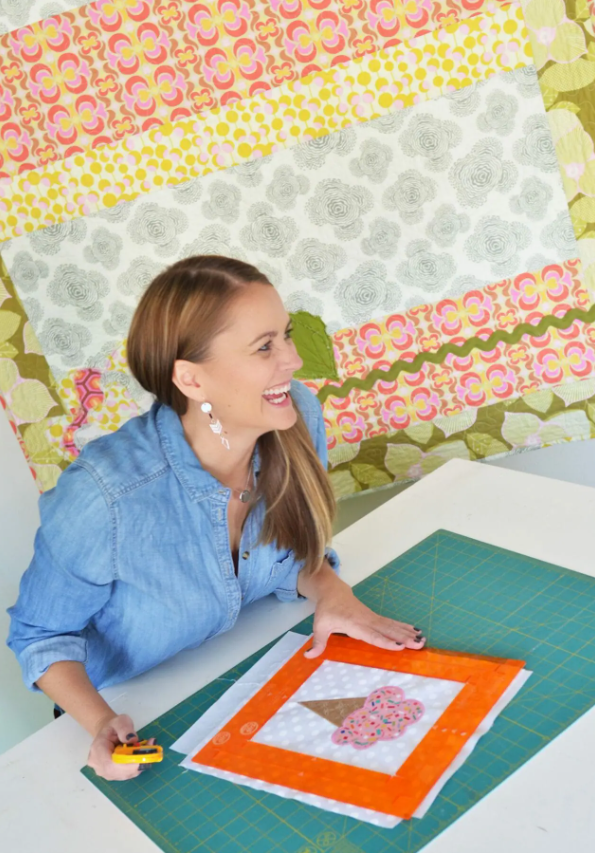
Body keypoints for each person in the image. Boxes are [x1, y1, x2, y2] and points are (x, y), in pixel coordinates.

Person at [7, 255, 425, 781]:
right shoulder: (105, 497)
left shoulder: (297, 416)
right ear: (191, 379)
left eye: (286, 336)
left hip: (240, 661)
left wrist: (332, 593)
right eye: (265, 347)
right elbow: (42, 636)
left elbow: (294, 551)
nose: (294, 360)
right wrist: (100, 724)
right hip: (128, 702)